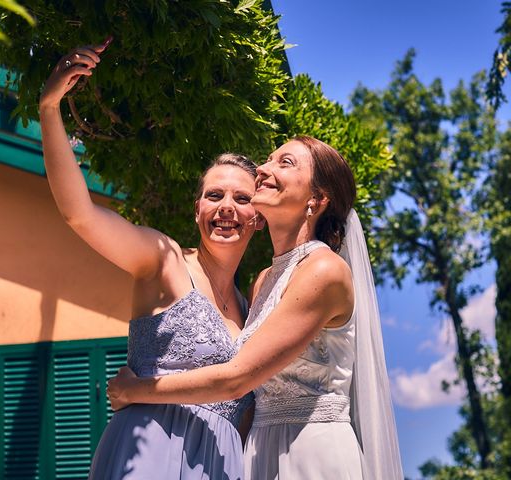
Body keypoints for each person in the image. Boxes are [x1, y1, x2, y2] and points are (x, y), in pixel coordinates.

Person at [108, 136, 404, 479]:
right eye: (268, 159)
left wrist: (135, 390)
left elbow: (238, 378)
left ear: (317, 199)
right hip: (258, 450)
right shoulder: (262, 281)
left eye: (285, 162)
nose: (263, 169)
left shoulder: (324, 270)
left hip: (309, 448)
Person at [39, 41, 264, 480]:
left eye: (241, 198)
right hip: (149, 452)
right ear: (197, 207)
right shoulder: (163, 260)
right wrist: (49, 108)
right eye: (214, 195)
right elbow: (79, 215)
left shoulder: (255, 307)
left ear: (257, 219)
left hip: (221, 466)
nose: (226, 207)